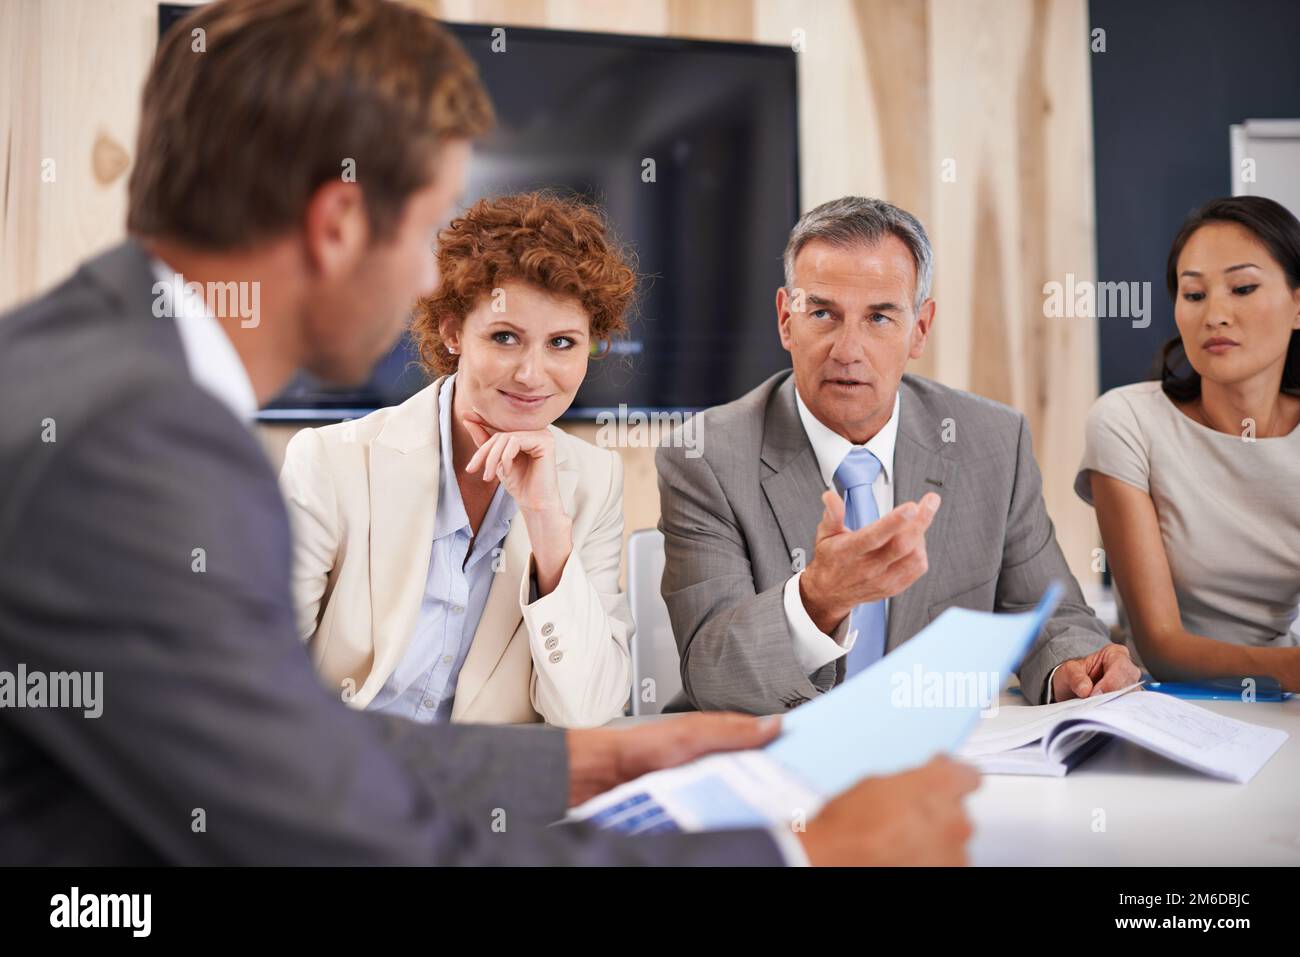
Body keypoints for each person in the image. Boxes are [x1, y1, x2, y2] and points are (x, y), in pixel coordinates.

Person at [0, 0, 977, 865]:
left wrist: (592, 756)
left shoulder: (103, 375)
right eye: (425, 233)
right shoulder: (136, 445)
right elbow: (331, 830)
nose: (429, 286)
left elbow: (281, 743)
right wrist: (796, 851)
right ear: (341, 222)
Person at [657, 196, 1139, 714]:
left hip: (944, 759)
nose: (848, 349)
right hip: (772, 757)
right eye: (822, 313)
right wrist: (818, 597)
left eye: (880, 318)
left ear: (920, 329)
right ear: (785, 320)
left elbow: (1051, 616)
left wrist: (1076, 667)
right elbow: (710, 672)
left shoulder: (992, 440)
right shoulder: (704, 455)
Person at [281, 193, 637, 728]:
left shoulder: (593, 483)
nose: (532, 374)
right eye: (505, 337)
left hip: (487, 794)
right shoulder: (332, 463)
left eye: (562, 343)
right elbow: (257, 668)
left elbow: (586, 711)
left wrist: (546, 526)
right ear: (452, 333)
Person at [1076, 196, 1300, 691]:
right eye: (1194, 295)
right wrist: (1291, 670)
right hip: (1162, 699)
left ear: (1297, 304)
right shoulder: (1127, 420)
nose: (1215, 315)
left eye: (1242, 288)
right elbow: (1162, 646)